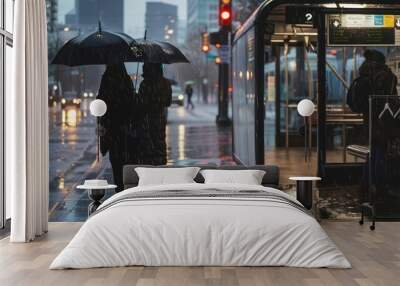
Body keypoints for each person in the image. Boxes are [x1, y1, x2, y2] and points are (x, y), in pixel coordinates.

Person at [97, 64, 138, 192]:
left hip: (112, 129)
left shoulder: (107, 79)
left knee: (116, 163)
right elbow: (132, 103)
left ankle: (119, 189)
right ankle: (126, 189)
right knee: (127, 162)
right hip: (125, 130)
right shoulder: (126, 79)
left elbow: (101, 104)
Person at [138, 63, 172, 165]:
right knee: (160, 143)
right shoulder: (165, 83)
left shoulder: (145, 84)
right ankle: (160, 165)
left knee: (148, 146)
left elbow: (141, 103)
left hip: (146, 120)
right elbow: (168, 102)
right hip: (160, 119)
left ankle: (149, 167)